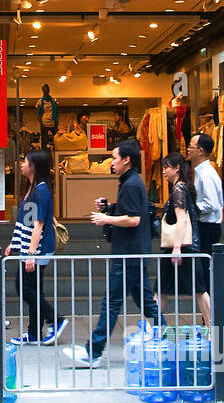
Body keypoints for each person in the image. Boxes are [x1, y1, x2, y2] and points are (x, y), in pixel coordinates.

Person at [63, 140, 159, 367]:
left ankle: (93, 352)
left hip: (129, 254)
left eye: (115, 157)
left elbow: (134, 219)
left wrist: (106, 218)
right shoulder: (130, 182)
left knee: (112, 302)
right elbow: (129, 212)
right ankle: (164, 338)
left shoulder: (132, 184)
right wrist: (109, 207)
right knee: (145, 302)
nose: (112, 162)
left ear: (127, 160)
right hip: (133, 252)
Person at [8, 150, 66, 346]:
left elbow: (38, 225)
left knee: (24, 289)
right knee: (33, 290)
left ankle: (55, 319)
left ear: (33, 167)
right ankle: (34, 332)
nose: (21, 164)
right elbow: (27, 221)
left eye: (25, 162)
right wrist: (14, 244)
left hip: (37, 249)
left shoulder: (40, 190)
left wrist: (31, 254)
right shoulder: (34, 188)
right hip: (31, 248)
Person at [157, 152, 201, 323]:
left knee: (198, 289)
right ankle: (152, 325)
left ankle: (215, 327)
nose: (163, 172)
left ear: (177, 168)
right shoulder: (182, 187)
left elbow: (182, 218)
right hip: (183, 246)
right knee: (161, 288)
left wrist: (176, 248)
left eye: (166, 167)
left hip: (180, 247)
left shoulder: (178, 189)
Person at [187, 132, 222, 326]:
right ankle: (207, 319)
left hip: (208, 228)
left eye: (191, 147)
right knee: (203, 276)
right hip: (205, 226)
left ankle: (210, 320)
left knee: (205, 276)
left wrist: (191, 209)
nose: (188, 150)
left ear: (201, 151)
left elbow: (212, 204)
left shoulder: (207, 175)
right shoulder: (201, 172)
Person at [37, 85, 59, 150]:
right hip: (44, 121)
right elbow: (38, 114)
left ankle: (57, 149)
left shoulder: (53, 100)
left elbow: (57, 112)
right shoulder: (40, 101)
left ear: (49, 90)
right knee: (44, 138)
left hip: (53, 121)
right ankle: (44, 151)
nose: (46, 90)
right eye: (44, 89)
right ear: (42, 90)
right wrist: (41, 123)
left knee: (57, 137)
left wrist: (57, 122)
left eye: (47, 89)